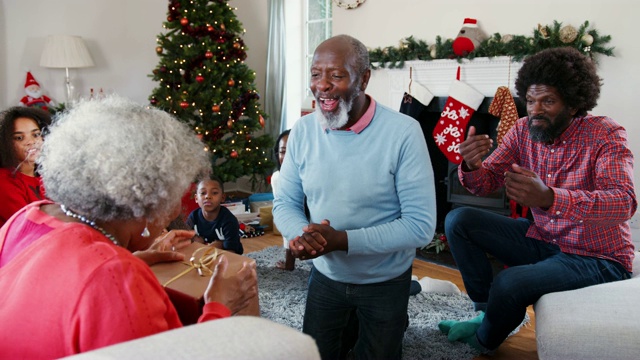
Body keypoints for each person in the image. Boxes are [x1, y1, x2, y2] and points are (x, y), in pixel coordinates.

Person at [0, 96, 258, 358]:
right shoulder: (117, 279)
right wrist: (218, 307)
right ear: (145, 200)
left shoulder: (27, 215)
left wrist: (130, 260)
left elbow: (63, 285)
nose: (172, 212)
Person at [438, 47, 636, 354]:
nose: (535, 109)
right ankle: (485, 313)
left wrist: (549, 198)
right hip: (542, 239)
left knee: (510, 281)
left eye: (548, 101)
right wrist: (473, 166)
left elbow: (623, 203)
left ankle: (481, 344)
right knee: (458, 220)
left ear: (573, 104)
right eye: (530, 100)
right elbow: (486, 183)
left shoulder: (604, 134)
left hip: (597, 258)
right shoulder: (522, 131)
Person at [272, 34, 437, 359]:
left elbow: (420, 226)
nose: (322, 85)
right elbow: (286, 203)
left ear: (364, 79)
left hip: (386, 280)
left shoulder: (403, 132)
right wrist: (299, 237)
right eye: (316, 74)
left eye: (336, 75)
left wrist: (341, 240)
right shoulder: (303, 131)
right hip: (326, 275)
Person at [0, 106, 51, 228]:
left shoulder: (45, 176)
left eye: (36, 134)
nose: (31, 142)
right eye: (19, 138)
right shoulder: (4, 180)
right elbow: (27, 226)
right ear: (7, 144)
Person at [186, 175, 243, 254]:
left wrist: (219, 246)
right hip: (200, 256)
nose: (208, 196)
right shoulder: (193, 217)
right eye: (203, 193)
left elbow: (232, 252)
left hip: (227, 257)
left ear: (222, 197)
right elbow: (185, 241)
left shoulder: (229, 221)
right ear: (196, 199)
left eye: (214, 193)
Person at [271, 129, 297, 270]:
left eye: (293, 150)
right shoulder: (277, 178)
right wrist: (289, 263)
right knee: (287, 215)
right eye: (283, 151)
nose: (287, 156)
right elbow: (285, 212)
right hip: (294, 219)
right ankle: (289, 263)